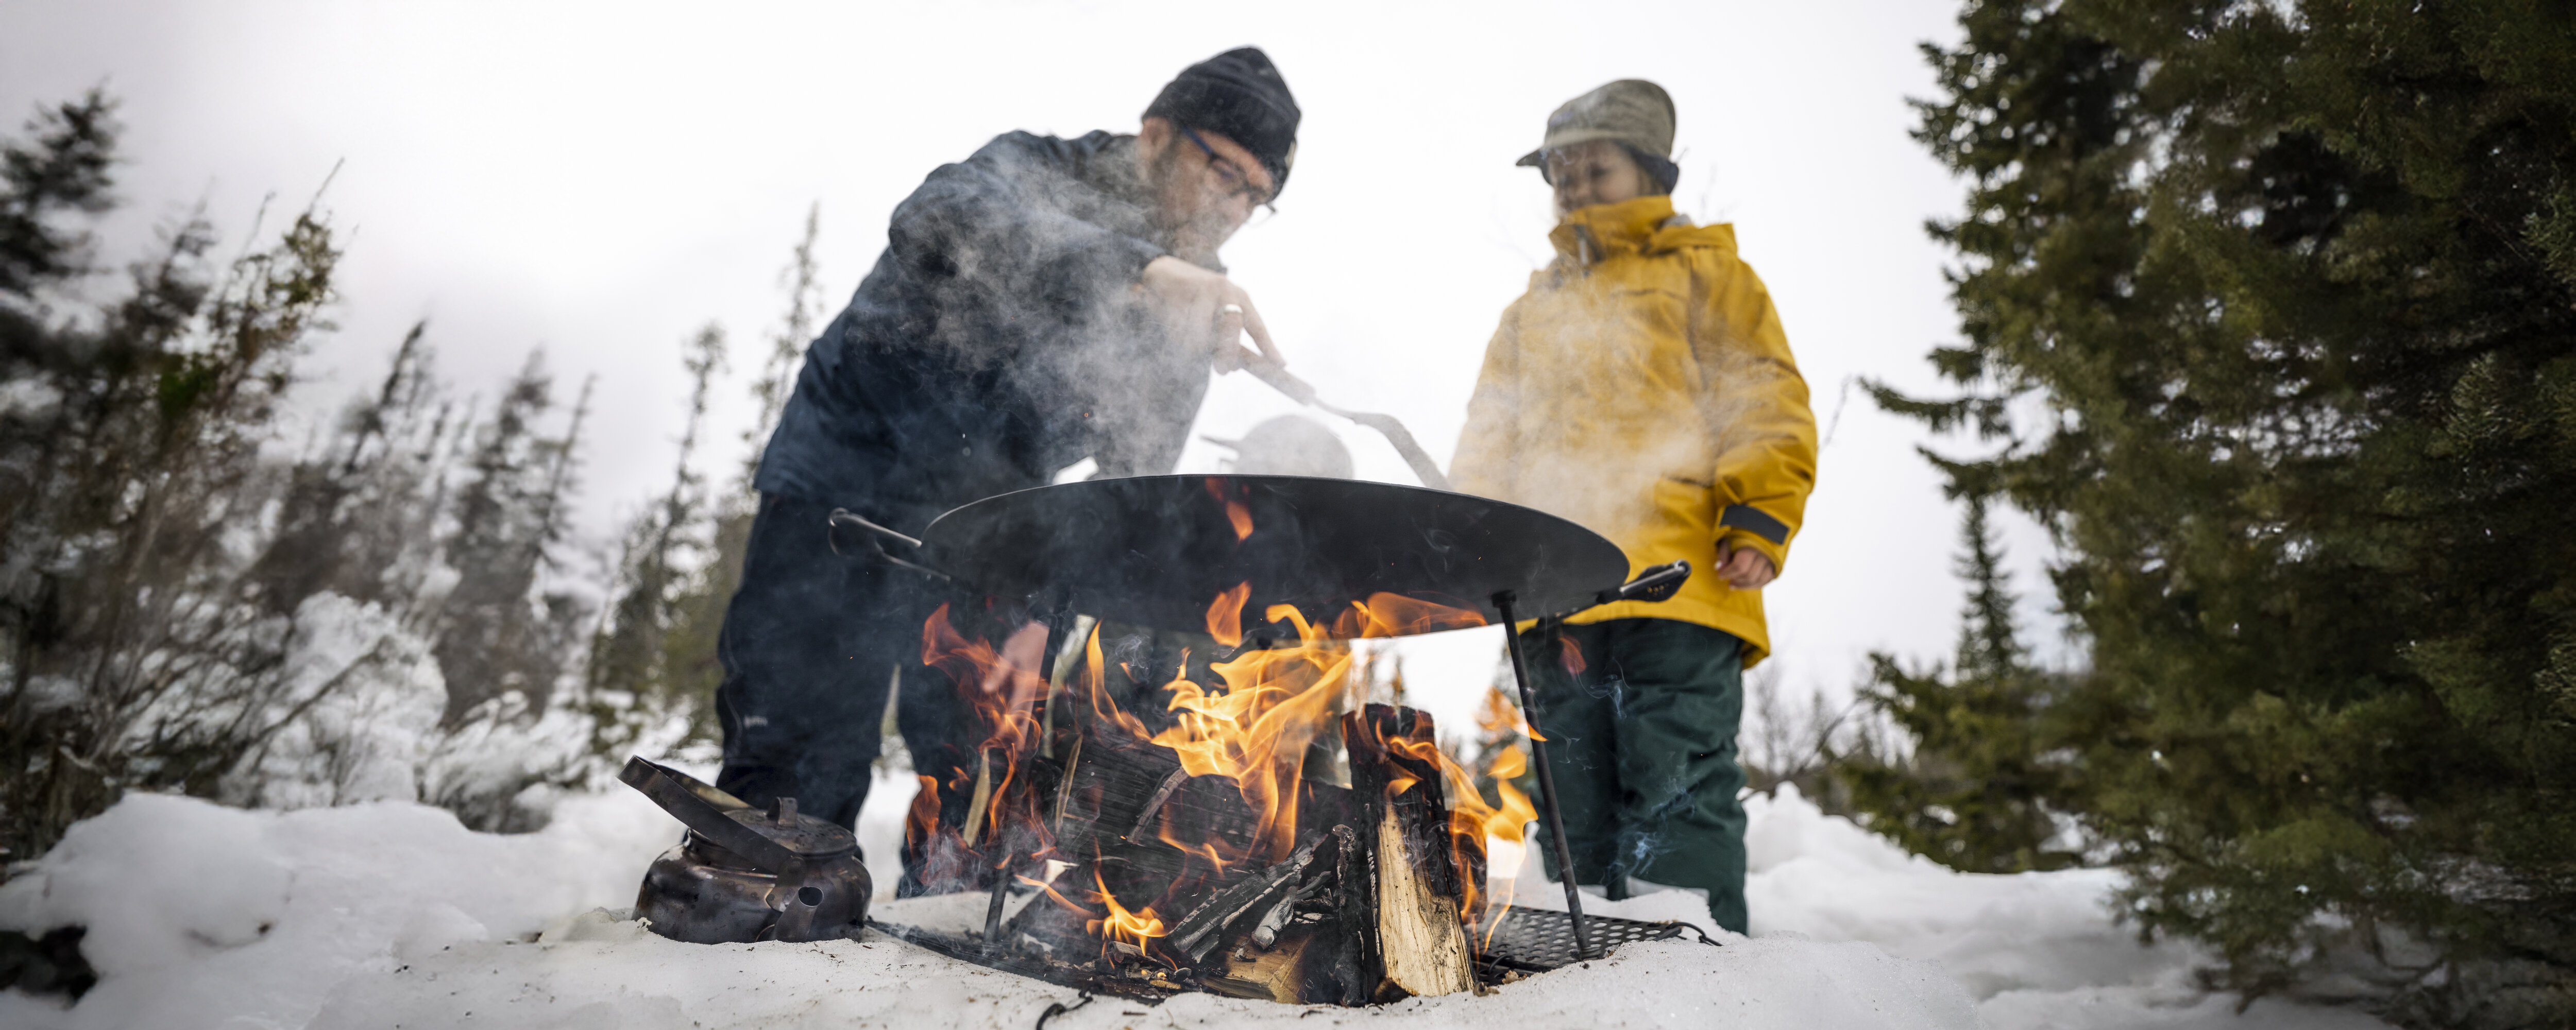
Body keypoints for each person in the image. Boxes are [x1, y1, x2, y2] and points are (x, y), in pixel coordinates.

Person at [715, 48, 1302, 892]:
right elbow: (935, 215)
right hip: (849, 475)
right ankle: (756, 928)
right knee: (802, 737)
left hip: (986, 521)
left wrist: (1055, 607)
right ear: (1157, 133)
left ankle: (934, 966)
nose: (1236, 207)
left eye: (1257, 194)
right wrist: (1132, 270)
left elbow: (1131, 496)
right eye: (1223, 171)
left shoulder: (1191, 299)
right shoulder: (1037, 169)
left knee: (981, 762)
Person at [1449, 79, 1818, 934]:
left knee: (1675, 788)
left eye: (1594, 170)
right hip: (1554, 596)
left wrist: (1760, 511)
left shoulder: (1709, 275)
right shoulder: (1529, 312)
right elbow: (1488, 435)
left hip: (1682, 582)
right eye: (1560, 175)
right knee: (1566, 795)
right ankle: (1578, 972)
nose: (1573, 189)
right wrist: (1470, 547)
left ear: (1653, 174)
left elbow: (1761, 394)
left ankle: (1691, 968)